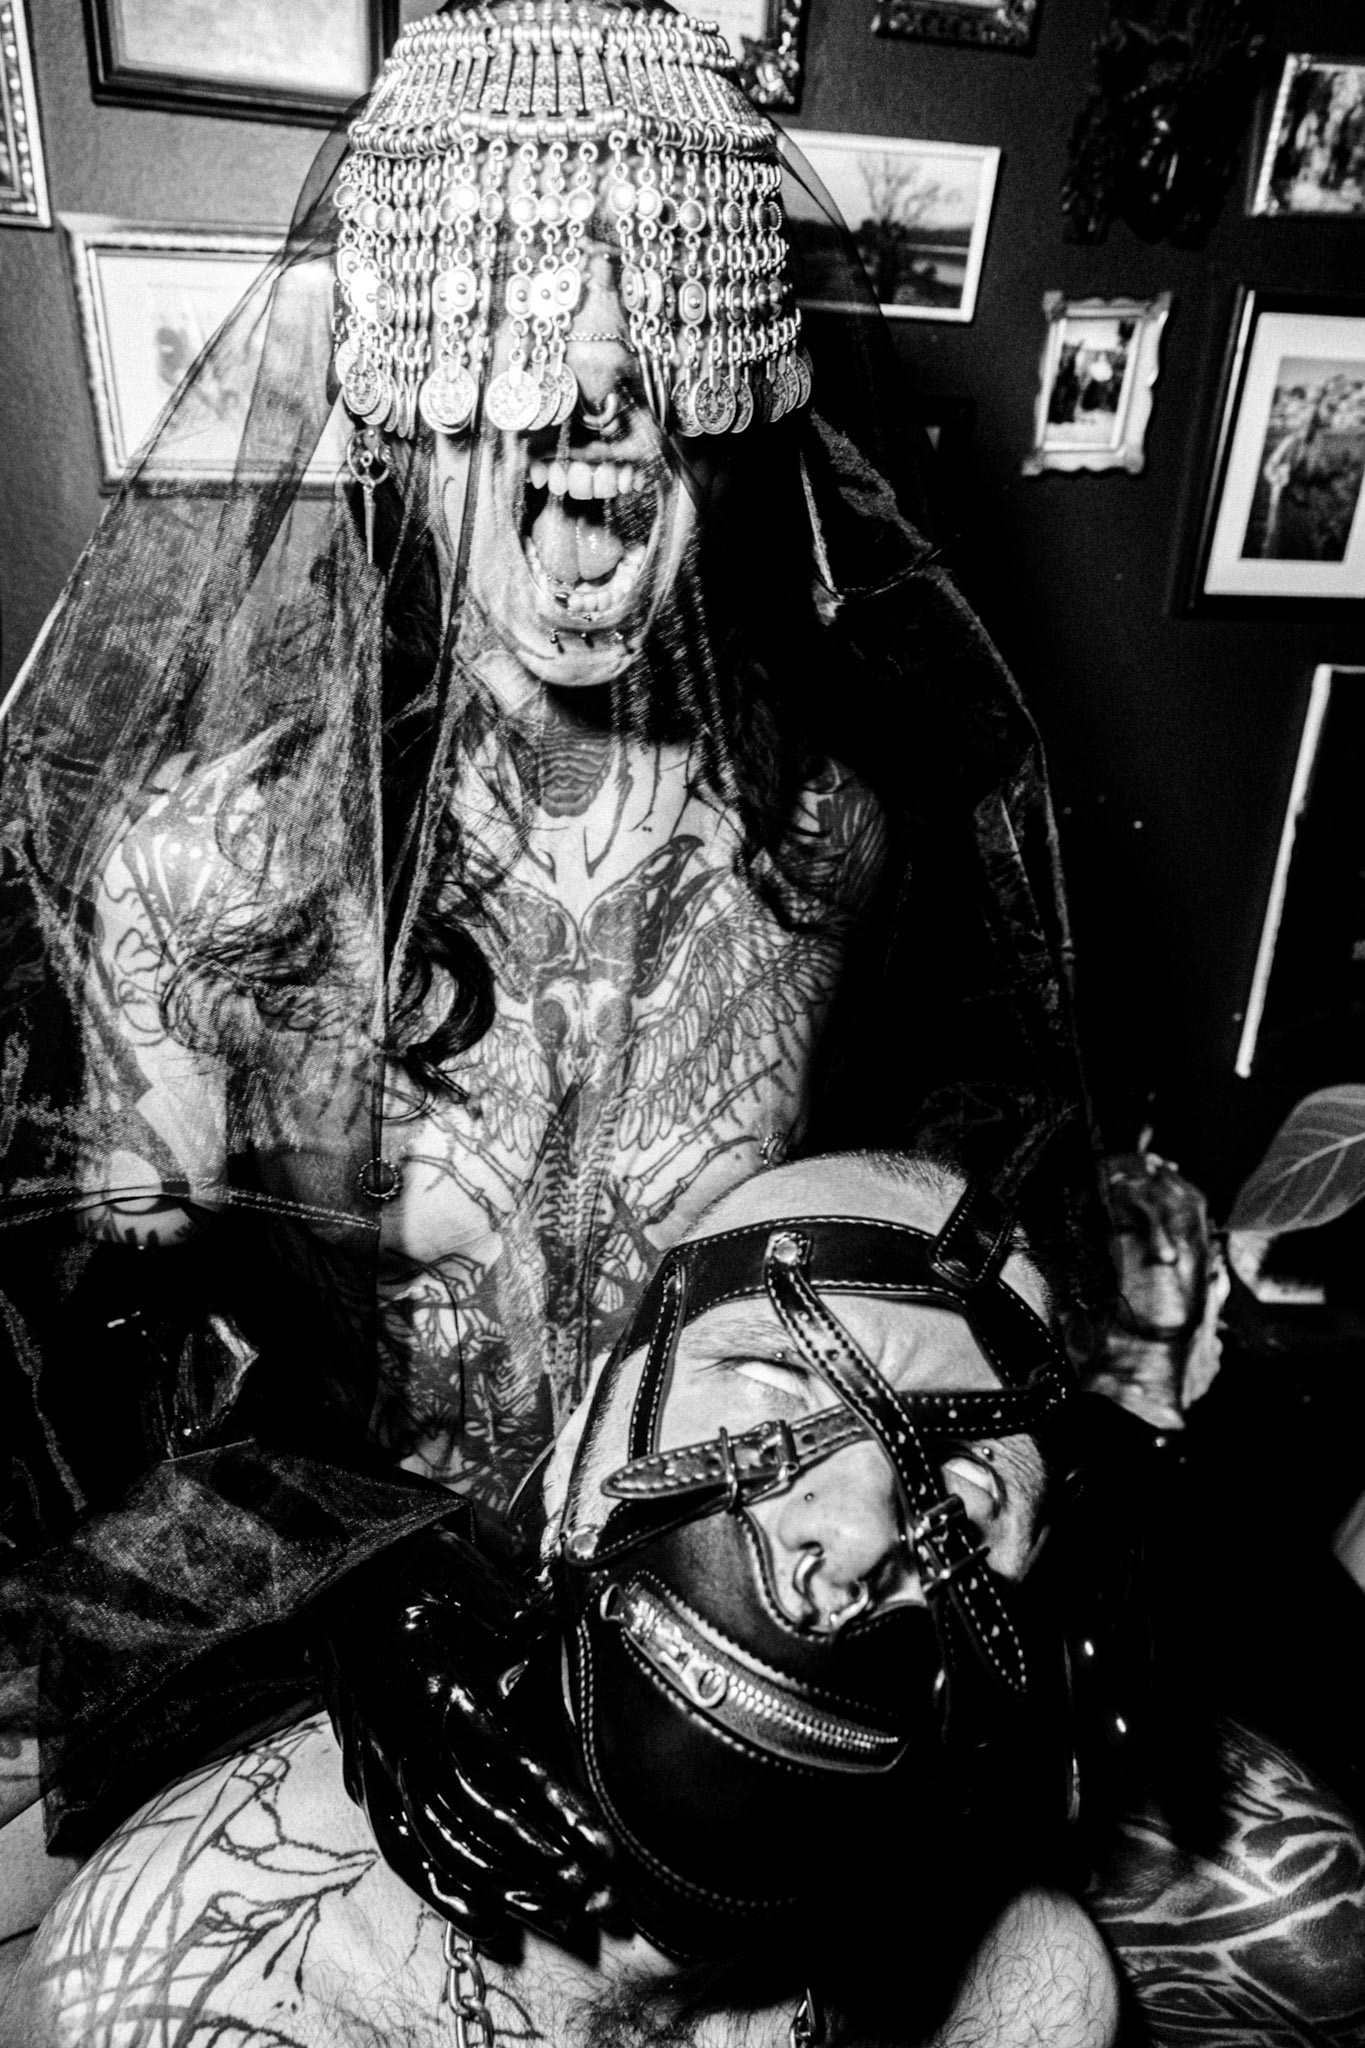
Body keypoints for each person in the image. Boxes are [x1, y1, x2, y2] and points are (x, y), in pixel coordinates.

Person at [0, 0, 1088, 1882]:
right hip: (319, 1645)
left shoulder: (828, 848)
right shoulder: (213, 868)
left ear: (732, 406)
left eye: (650, 333)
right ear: (397, 397)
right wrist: (348, 1585)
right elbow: (98, 1369)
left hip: (705, 1646)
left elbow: (891, 1245)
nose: (587, 399)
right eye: (506, 335)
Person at [8, 1149, 1365, 2046]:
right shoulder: (221, 1982)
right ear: (578, 1454)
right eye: (767, 1393)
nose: (852, 1531)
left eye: (958, 1490)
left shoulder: (1028, 1988)